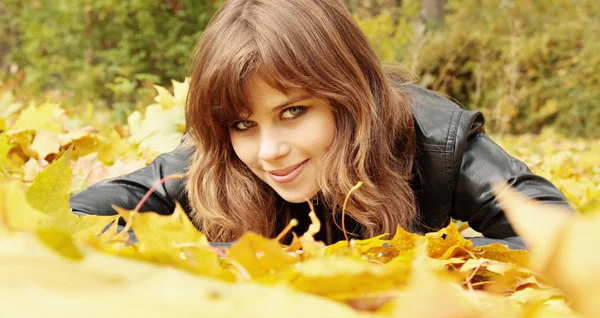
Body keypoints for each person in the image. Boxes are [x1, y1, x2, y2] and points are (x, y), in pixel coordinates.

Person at [70, 0, 570, 249]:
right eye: (244, 123)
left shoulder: (434, 141)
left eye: (293, 112)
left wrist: (407, 267)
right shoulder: (216, 163)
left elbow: (557, 232)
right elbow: (74, 218)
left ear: (347, 97)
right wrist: (209, 259)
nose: (269, 151)